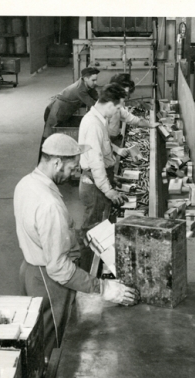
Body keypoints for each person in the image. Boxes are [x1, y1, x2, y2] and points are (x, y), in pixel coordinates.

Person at [14, 133, 138, 357]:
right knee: (50, 346)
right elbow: (59, 268)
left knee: (35, 334)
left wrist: (78, 238)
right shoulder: (49, 205)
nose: (75, 173)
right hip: (48, 282)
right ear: (57, 163)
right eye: (72, 168)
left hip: (29, 270)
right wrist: (103, 288)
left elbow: (40, 233)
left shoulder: (26, 184)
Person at [77, 83, 130, 271]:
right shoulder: (93, 124)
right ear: (109, 104)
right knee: (92, 229)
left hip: (96, 180)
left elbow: (104, 150)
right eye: (117, 107)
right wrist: (109, 191)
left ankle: (95, 266)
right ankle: (86, 272)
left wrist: (110, 179)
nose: (117, 112)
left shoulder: (98, 120)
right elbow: (95, 162)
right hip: (93, 184)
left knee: (99, 225)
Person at [38, 67, 100, 163]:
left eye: (96, 80)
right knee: (47, 139)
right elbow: (94, 105)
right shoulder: (80, 89)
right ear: (86, 78)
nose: (95, 82)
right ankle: (42, 165)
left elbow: (97, 98)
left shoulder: (86, 85)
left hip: (64, 112)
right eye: (93, 80)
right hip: (55, 112)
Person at [107, 73, 158, 156]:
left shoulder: (116, 105)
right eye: (123, 93)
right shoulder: (105, 108)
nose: (125, 97)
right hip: (102, 149)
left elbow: (130, 118)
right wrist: (117, 149)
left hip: (111, 142)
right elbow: (96, 138)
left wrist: (150, 124)